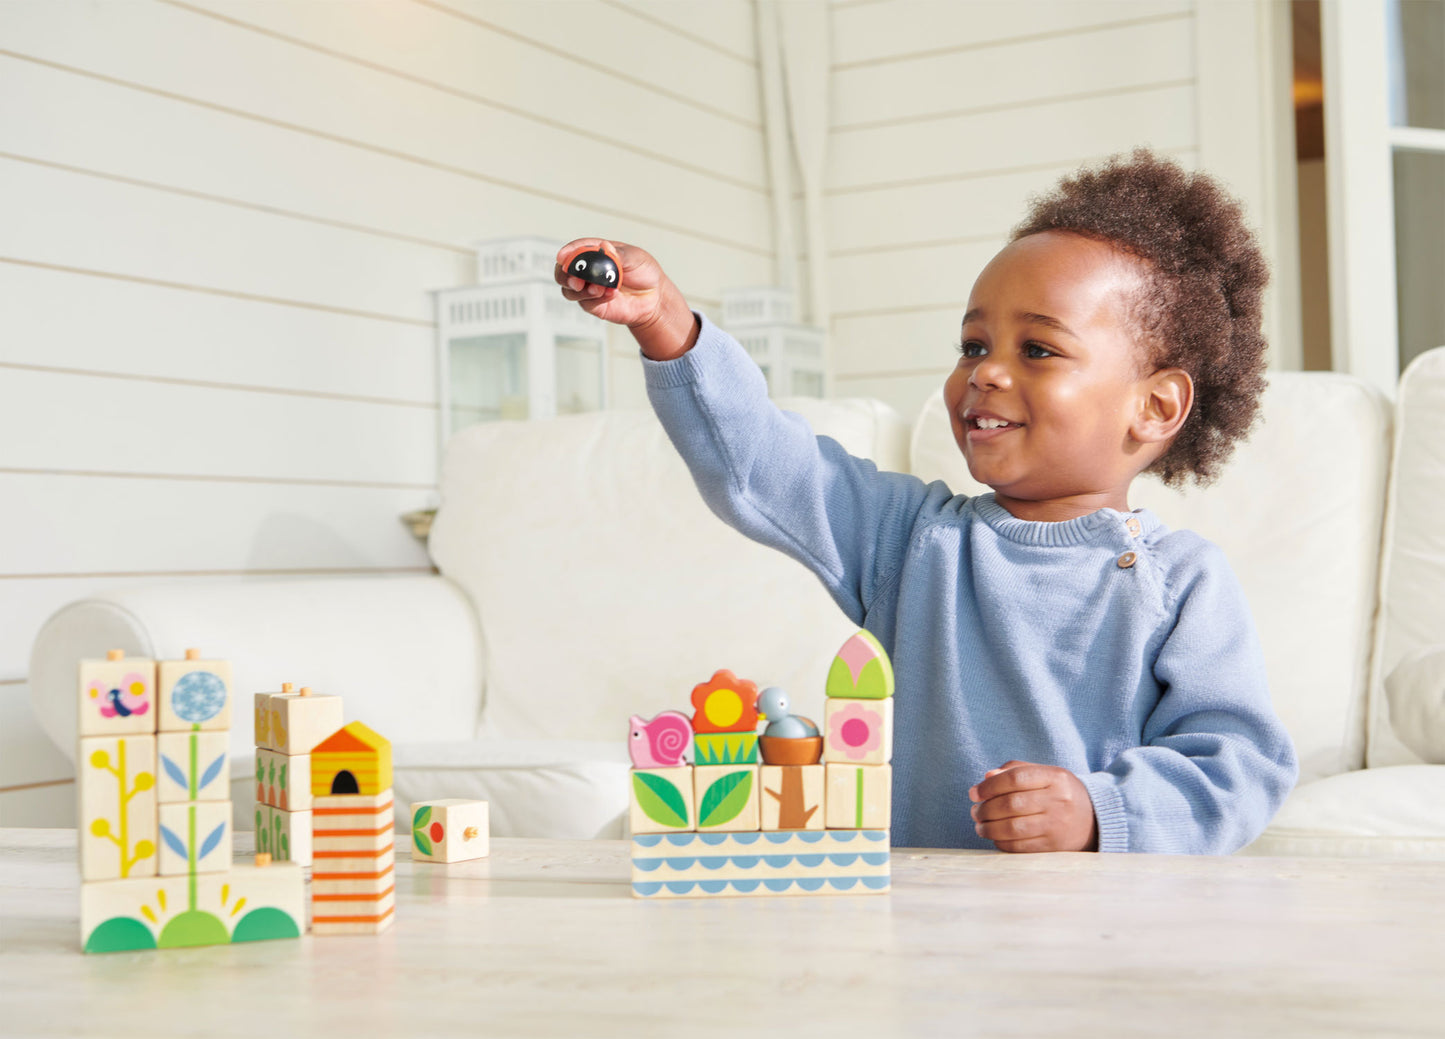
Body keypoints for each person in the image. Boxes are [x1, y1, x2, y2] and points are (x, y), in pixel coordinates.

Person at [555, 150, 1298, 853]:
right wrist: (667, 327)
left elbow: (1239, 764)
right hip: (908, 928)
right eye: (974, 346)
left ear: (1156, 406)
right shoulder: (909, 540)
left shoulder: (1180, 581)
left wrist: (1099, 810)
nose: (985, 374)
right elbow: (758, 464)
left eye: (1036, 350)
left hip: (1088, 937)